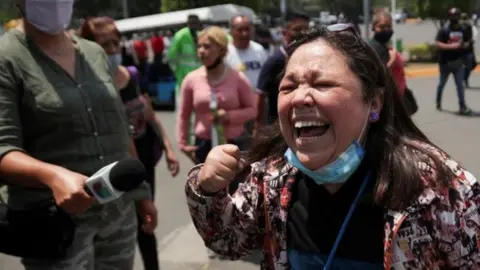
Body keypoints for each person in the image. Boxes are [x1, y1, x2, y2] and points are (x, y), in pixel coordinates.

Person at [184, 25, 480, 269]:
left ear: (373, 102)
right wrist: (207, 189)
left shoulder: (441, 190)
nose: (300, 98)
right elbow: (228, 240)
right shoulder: (271, 179)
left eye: (322, 84)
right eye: (288, 87)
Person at [0, 1, 157, 269]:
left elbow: (119, 129)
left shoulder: (93, 52)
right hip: (56, 224)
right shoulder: (8, 58)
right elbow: (4, 148)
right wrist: (52, 176)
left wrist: (141, 194)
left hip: (117, 215)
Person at [77, 16, 180, 270]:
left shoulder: (132, 74)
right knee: (111, 228)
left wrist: (168, 149)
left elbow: (151, 115)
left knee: (146, 222)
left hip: (141, 160)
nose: (112, 50)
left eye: (115, 43)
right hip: (109, 164)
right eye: (105, 45)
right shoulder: (88, 86)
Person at [177, 26, 256, 165]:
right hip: (203, 144)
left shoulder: (238, 78)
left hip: (234, 143)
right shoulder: (191, 79)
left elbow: (252, 110)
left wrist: (229, 116)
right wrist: (183, 144)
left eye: (207, 47)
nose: (201, 51)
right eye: (199, 46)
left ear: (221, 50)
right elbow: (184, 115)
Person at [256, 12, 309, 129]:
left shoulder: (311, 58)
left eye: (307, 29)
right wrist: (259, 126)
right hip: (277, 126)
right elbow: (260, 95)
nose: (304, 33)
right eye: (298, 29)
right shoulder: (275, 61)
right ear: (285, 32)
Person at [435, 7, 472, 115]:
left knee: (460, 85)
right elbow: (438, 44)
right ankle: (438, 102)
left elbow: (467, 42)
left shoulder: (463, 29)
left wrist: (464, 45)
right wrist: (452, 46)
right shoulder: (444, 30)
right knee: (442, 84)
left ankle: (462, 106)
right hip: (445, 63)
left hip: (458, 62)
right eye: (452, 16)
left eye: (456, 16)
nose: (454, 18)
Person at [167, 14, 203, 107]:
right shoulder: (180, 35)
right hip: (183, 78)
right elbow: (171, 56)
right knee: (184, 107)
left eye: (195, 23)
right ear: (187, 23)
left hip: (199, 78)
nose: (194, 25)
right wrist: (177, 72)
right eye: (192, 23)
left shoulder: (201, 35)